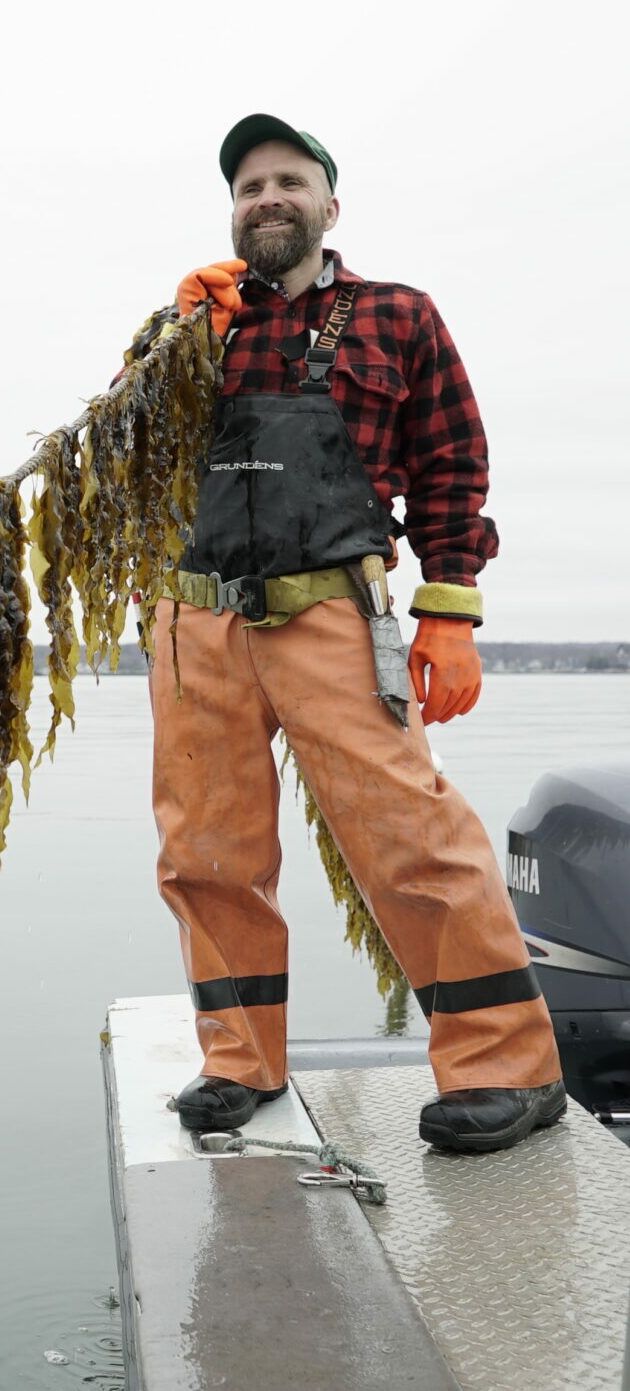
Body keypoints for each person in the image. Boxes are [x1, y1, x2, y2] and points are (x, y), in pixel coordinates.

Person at [141, 112, 564, 1154]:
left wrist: (448, 615)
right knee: (206, 855)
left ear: (332, 205)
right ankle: (242, 1059)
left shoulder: (396, 316)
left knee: (411, 839)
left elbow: (454, 468)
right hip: (196, 621)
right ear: (233, 214)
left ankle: (509, 1066)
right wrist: (163, 348)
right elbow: (124, 456)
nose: (267, 198)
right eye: (248, 187)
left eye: (289, 180)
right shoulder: (197, 330)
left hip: (331, 611)